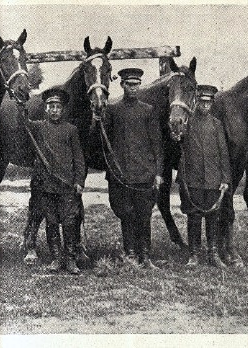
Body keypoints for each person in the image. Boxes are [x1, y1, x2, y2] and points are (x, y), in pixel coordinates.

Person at [92, 68, 163, 269]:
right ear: (122, 85)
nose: (133, 88)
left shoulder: (148, 111)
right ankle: (130, 254)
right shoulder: (113, 110)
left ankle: (145, 256)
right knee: (126, 214)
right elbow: (101, 140)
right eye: (129, 84)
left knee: (144, 215)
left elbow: (157, 144)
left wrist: (158, 172)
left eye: (136, 84)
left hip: (144, 174)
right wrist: (97, 122)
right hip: (121, 175)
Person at [24, 88, 86, 275]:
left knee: (69, 222)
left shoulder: (71, 130)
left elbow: (79, 159)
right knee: (51, 222)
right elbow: (24, 121)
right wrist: (21, 106)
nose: (54, 110)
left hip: (66, 185)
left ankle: (70, 259)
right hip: (47, 186)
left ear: (62, 109)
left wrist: (79, 181)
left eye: (58, 107)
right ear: (45, 109)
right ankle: (56, 259)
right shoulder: (39, 127)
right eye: (51, 106)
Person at [177, 85, 231, 268]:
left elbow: (223, 153)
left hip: (213, 179)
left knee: (212, 217)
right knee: (193, 216)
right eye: (202, 102)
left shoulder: (217, 124)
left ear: (212, 103)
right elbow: (177, 141)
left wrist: (225, 179)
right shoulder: (187, 122)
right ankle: (194, 254)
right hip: (192, 179)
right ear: (197, 102)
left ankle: (213, 254)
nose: (205, 106)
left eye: (208, 102)